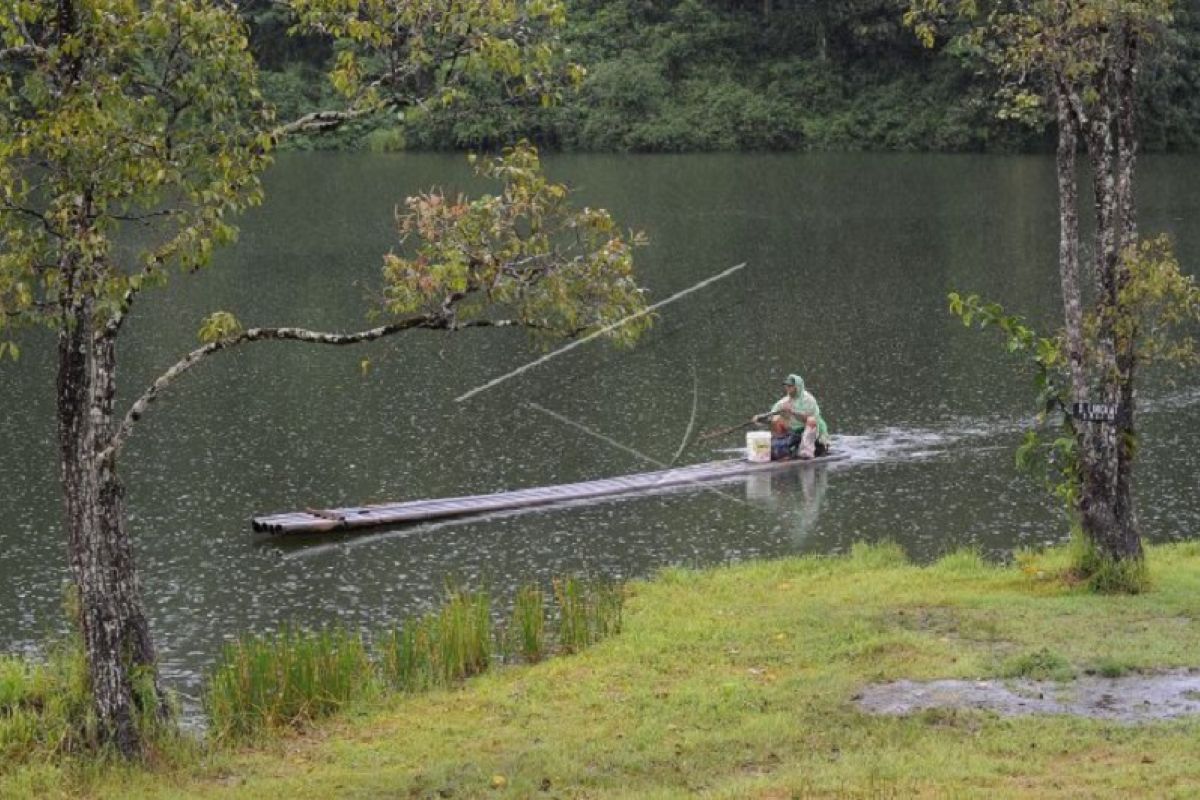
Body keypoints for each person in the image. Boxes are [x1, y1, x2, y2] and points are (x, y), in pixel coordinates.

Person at [752, 373, 830, 460]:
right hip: (794, 431)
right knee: (776, 419)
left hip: (812, 431)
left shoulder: (809, 400)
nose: (787, 388)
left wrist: (792, 412)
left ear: (797, 386)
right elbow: (771, 416)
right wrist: (759, 419)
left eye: (790, 386)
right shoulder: (783, 402)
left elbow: (808, 419)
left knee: (811, 420)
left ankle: (805, 453)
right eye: (786, 385)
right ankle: (782, 451)